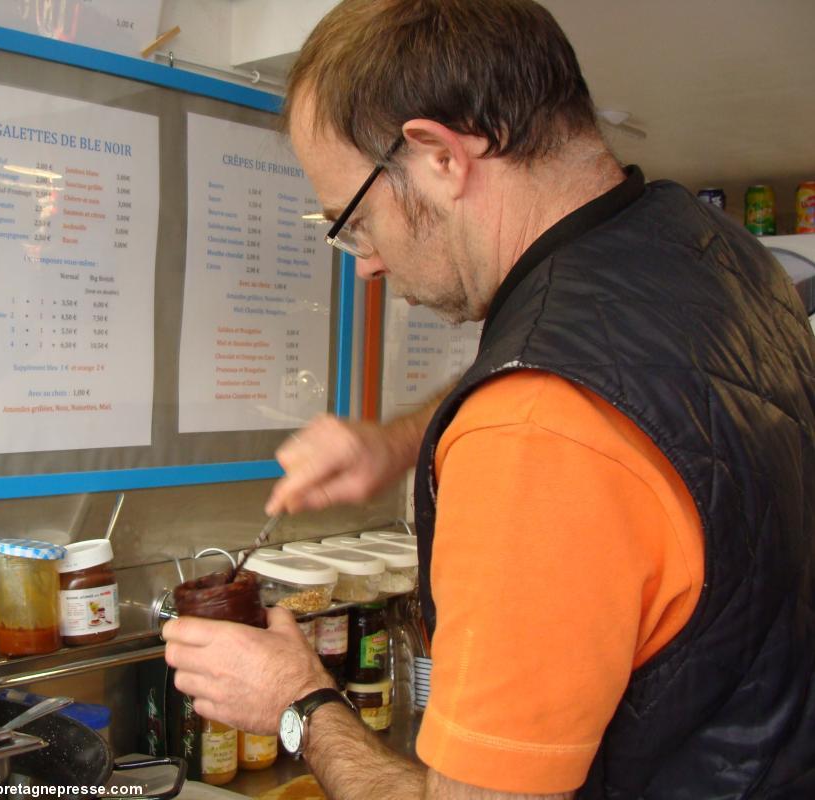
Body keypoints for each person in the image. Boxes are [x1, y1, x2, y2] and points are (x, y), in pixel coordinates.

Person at [162, 0, 815, 797]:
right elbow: (591, 355)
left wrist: (298, 703)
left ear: (438, 154)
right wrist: (398, 441)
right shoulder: (717, 255)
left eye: (354, 222)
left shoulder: (533, 428)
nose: (363, 265)